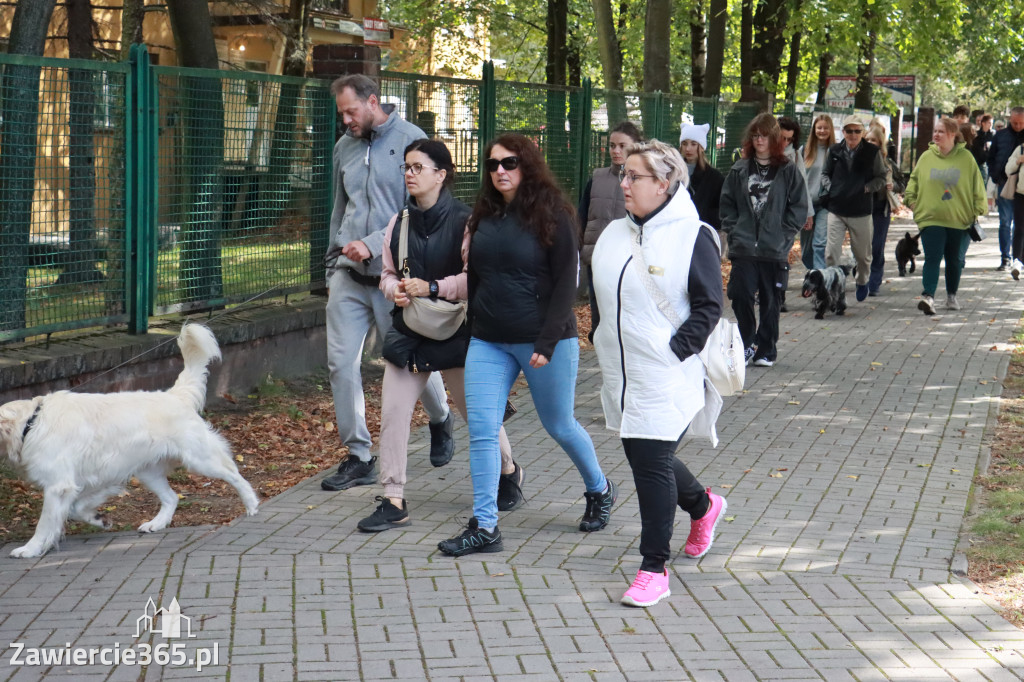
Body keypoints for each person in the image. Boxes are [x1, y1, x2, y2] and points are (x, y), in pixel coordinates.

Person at [437, 133, 617, 557]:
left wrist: (549, 339)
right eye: (493, 164)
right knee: (482, 430)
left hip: (543, 340)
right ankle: (484, 525)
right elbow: (476, 276)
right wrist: (474, 328)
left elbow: (566, 284)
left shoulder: (553, 214)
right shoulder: (483, 215)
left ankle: (600, 488)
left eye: (510, 162)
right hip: (489, 341)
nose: (500, 170)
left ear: (528, 165)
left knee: (558, 425)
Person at [356, 140, 520, 532]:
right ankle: (393, 498)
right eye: (406, 167)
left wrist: (432, 287)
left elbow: (474, 279)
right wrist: (392, 288)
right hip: (410, 332)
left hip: (459, 334)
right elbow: (388, 273)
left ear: (441, 175)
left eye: (418, 167)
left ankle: (509, 470)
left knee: (479, 417)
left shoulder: (467, 221)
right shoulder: (399, 222)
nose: (409, 174)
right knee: (393, 414)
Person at [591, 139, 727, 608]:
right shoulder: (613, 234)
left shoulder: (695, 235)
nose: (623, 184)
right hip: (620, 370)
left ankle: (654, 568)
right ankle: (703, 506)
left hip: (667, 371)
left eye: (635, 177)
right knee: (646, 456)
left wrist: (676, 351)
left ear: (664, 184)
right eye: (623, 175)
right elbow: (599, 292)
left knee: (649, 463)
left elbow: (710, 305)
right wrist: (599, 337)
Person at [320, 74, 454, 492]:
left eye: (351, 111)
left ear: (372, 101)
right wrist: (332, 261)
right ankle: (358, 454)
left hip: (394, 277)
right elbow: (339, 209)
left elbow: (416, 211)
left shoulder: (411, 141)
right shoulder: (344, 147)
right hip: (348, 274)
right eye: (341, 112)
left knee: (410, 360)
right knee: (340, 364)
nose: (345, 120)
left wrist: (374, 245)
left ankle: (441, 417)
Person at [720, 113, 808, 368]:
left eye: (764, 135)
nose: (759, 140)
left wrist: (784, 233)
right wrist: (734, 230)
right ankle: (748, 343)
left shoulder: (788, 170)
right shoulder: (739, 169)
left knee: (771, 300)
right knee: (741, 294)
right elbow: (727, 204)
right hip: (744, 247)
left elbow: (799, 206)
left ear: (775, 138)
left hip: (773, 249)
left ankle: (766, 348)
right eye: (755, 135)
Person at [904, 117, 986, 315]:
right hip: (931, 218)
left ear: (952, 134)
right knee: (933, 257)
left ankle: (951, 296)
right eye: (935, 131)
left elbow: (977, 185)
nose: (936, 135)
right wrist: (912, 202)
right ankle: (928, 297)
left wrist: (978, 210)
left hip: (960, 219)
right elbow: (913, 181)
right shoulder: (926, 157)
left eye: (941, 131)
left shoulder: (966, 158)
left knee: (955, 260)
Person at [579, 121, 644, 340]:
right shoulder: (597, 178)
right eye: (612, 145)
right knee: (599, 318)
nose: (616, 151)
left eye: (622, 146)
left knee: (626, 316)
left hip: (629, 259)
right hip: (596, 257)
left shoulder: (646, 180)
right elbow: (582, 217)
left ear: (636, 146)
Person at [820, 114, 887, 302]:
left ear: (862, 132)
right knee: (831, 252)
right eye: (849, 131)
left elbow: (881, 177)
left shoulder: (872, 152)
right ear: (843, 132)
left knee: (863, 256)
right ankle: (833, 287)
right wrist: (831, 187)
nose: (853, 134)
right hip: (837, 208)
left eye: (857, 131)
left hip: (861, 210)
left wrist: (867, 188)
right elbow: (825, 174)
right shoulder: (834, 151)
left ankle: (862, 280)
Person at [778, 116, 815, 307]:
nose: (784, 143)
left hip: (787, 215)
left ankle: (780, 295)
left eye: (789, 139)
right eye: (781, 137)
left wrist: (808, 212)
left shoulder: (795, 156)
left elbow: (803, 186)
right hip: (764, 215)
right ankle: (767, 289)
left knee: (782, 254)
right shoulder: (762, 153)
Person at [988, 107, 1024, 273]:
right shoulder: (1001, 136)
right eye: (1015, 122)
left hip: (1021, 186)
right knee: (1005, 221)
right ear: (1010, 120)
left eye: (1021, 123)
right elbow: (991, 158)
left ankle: (1019, 257)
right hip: (1005, 182)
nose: (1018, 126)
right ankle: (1005, 258)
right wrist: (996, 176)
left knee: (1020, 225)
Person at [801, 115, 835, 270]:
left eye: (826, 128)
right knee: (806, 248)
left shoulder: (835, 151)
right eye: (819, 127)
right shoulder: (804, 151)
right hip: (806, 203)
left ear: (831, 130)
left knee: (820, 242)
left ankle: (820, 278)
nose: (822, 131)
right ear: (814, 130)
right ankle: (812, 270)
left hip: (825, 204)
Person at [679, 122, 725, 236]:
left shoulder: (715, 178)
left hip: (703, 233)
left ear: (701, 147)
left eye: (693, 144)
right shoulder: (674, 173)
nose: (688, 148)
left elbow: (721, 208)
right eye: (684, 144)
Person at [864, 127, 895, 296]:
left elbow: (901, 184)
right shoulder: (858, 159)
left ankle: (874, 283)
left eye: (873, 140)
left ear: (880, 143)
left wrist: (893, 185)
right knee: (862, 247)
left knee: (876, 246)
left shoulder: (887, 162)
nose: (870, 143)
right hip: (862, 209)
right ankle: (861, 275)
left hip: (881, 209)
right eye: (867, 140)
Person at [1006, 140, 1024, 280]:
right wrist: (1018, 160)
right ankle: (1017, 261)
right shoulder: (1021, 149)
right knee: (1019, 228)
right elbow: (1008, 169)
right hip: (1021, 194)